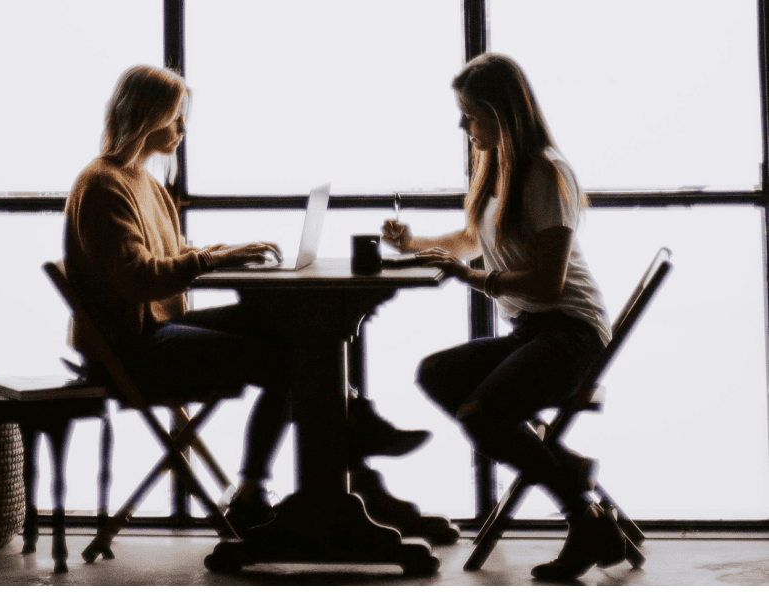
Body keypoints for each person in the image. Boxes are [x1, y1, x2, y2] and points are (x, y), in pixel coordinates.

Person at [64, 65, 426, 535]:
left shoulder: (142, 182)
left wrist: (220, 255)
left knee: (286, 326)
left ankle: (343, 446)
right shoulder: (103, 185)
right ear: (145, 116)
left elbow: (171, 261)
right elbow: (138, 280)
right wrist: (213, 261)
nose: (182, 129)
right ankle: (317, 462)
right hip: (128, 350)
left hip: (150, 331)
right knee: (287, 356)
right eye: (175, 118)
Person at [381, 53, 626, 581]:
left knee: (482, 415)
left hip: (571, 334)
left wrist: (467, 277)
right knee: (436, 373)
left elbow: (548, 282)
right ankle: (573, 474)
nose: (462, 125)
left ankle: (581, 516)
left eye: (470, 114)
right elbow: (473, 241)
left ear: (501, 113)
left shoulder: (546, 173)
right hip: (533, 330)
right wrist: (415, 245)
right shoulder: (498, 169)